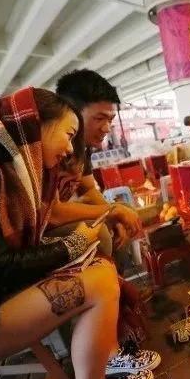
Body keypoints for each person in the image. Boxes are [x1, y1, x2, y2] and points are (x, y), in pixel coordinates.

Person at [0, 88, 154, 379]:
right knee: (99, 279)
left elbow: (75, 203)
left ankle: (108, 359)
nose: (72, 146)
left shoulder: (14, 164)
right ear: (37, 125)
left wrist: (108, 214)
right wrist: (73, 245)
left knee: (100, 265)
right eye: (70, 133)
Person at [51, 69, 141, 267]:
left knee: (124, 216)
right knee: (100, 233)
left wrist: (115, 215)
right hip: (40, 228)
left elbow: (88, 189)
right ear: (71, 113)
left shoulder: (83, 145)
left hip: (58, 216)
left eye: (110, 120)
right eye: (99, 119)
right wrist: (111, 211)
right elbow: (52, 212)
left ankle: (115, 280)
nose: (107, 128)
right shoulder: (52, 145)